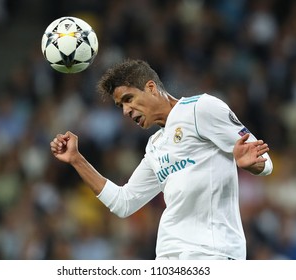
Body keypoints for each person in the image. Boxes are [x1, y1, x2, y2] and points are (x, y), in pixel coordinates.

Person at [50, 59, 273, 260]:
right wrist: (76, 159)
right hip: (167, 258)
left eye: (129, 99)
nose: (126, 111)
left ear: (150, 87)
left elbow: (263, 160)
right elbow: (124, 202)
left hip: (212, 253)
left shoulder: (201, 109)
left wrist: (254, 165)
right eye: (121, 106)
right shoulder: (155, 144)